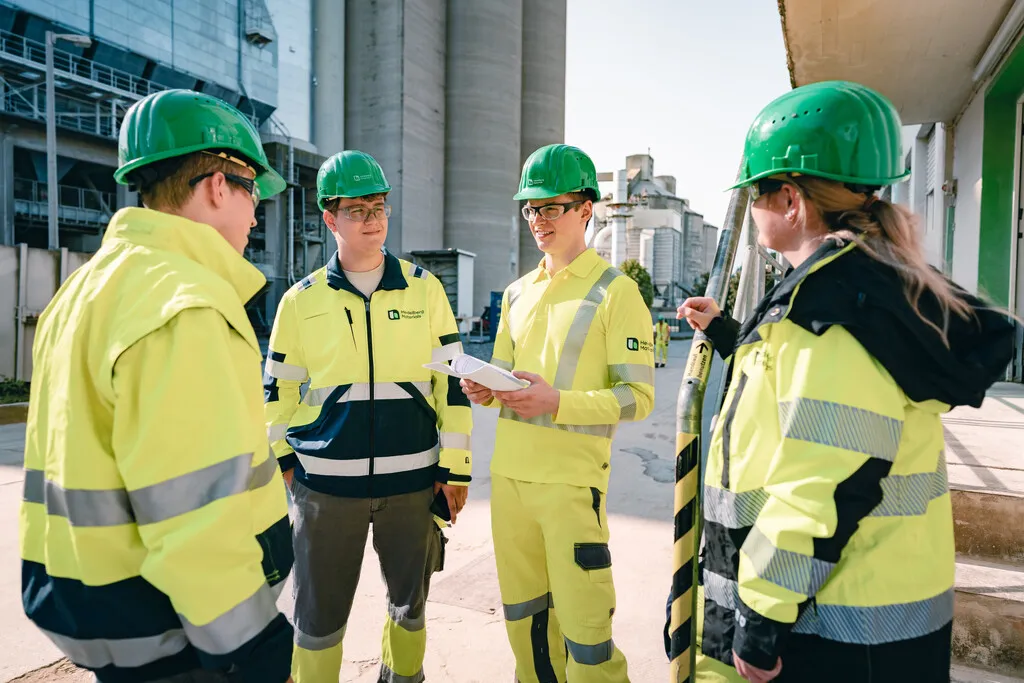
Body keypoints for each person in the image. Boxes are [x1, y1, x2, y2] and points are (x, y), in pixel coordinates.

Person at [675, 81, 1015, 682]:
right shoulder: (855, 286)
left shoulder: (831, 311)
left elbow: (820, 482)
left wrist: (760, 622)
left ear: (790, 201)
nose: (751, 206)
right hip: (874, 621)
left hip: (837, 632)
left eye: (757, 191)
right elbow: (800, 392)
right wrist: (729, 332)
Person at [20, 89, 295, 682]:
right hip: (179, 634)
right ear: (220, 186)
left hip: (98, 611)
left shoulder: (84, 291)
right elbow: (194, 510)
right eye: (253, 195)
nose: (255, 215)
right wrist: (251, 644)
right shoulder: (185, 305)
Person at [264, 150, 473, 683]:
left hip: (412, 484)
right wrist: (285, 464)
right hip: (326, 490)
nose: (373, 219)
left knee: (411, 608)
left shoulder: (426, 290)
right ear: (329, 219)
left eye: (379, 206)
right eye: (357, 210)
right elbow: (276, 396)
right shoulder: (300, 302)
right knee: (317, 617)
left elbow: (450, 385)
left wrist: (456, 468)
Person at [462, 143, 656, 683]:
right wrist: (485, 389)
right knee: (526, 628)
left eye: (551, 207)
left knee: (586, 635)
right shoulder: (517, 293)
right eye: (530, 208)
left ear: (586, 209)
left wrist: (558, 401)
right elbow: (503, 371)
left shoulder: (616, 293)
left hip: (571, 486)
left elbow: (637, 397)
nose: (538, 220)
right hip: (510, 482)